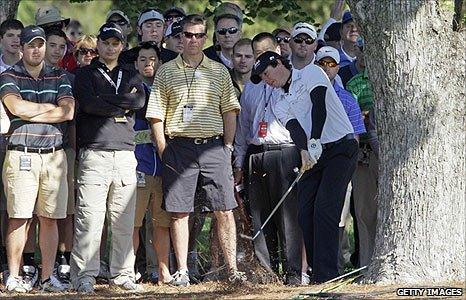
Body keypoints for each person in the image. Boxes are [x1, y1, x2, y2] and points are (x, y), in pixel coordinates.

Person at [146, 14, 246, 287]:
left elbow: (230, 111)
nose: (192, 40)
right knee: (179, 212)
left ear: (205, 38)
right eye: (187, 35)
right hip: (179, 147)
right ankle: (182, 271)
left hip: (214, 146)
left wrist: (227, 146)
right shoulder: (166, 71)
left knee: (225, 209)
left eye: (198, 35)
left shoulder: (218, 70)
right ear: (180, 38)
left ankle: (232, 270)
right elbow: (156, 115)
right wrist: (164, 149)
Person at [250, 51, 358, 283]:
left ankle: (328, 275)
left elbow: (320, 103)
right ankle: (316, 272)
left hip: (341, 147)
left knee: (325, 210)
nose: (268, 80)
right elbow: (296, 130)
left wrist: (315, 139)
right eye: (263, 78)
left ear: (278, 63)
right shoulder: (280, 102)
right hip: (316, 152)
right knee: (305, 212)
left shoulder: (311, 72)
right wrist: (305, 150)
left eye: (267, 74)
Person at [70, 22, 145, 293]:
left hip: (125, 154)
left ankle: (123, 274)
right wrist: (120, 103)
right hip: (94, 153)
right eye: (106, 43)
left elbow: (139, 102)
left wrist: (109, 101)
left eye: (116, 43)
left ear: (122, 46)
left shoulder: (131, 72)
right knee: (89, 219)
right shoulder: (84, 74)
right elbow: (88, 104)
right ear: (98, 45)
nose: (111, 47)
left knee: (123, 221)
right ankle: (85, 275)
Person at [0, 25, 75, 292]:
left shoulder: (60, 75)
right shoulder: (9, 75)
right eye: (31, 44)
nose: (37, 49)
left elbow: (67, 112)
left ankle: (46, 278)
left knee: (50, 218)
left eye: (40, 44)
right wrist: (47, 109)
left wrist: (28, 115)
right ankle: (13, 275)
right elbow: (15, 107)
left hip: (54, 157)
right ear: (21, 47)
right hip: (22, 155)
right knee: (19, 217)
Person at [233, 34, 303, 285]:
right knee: (260, 215)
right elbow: (242, 129)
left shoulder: (292, 82)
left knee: (288, 216)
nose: (261, 58)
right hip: (257, 153)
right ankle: (267, 272)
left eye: (266, 52)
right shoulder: (251, 87)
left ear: (277, 51)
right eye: (256, 53)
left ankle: (294, 273)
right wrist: (239, 162)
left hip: (285, 151)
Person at [132, 41, 173, 285]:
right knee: (134, 222)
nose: (149, 63)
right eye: (143, 59)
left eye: (153, 59)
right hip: (139, 164)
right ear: (136, 63)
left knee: (162, 222)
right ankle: (128, 268)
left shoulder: (166, 86)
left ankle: (163, 269)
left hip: (163, 164)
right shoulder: (130, 87)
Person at [44, 27, 77, 289]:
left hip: (62, 148)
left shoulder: (69, 77)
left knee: (64, 211)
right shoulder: (22, 74)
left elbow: (70, 116)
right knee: (30, 213)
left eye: (61, 46)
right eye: (51, 45)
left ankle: (63, 259)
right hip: (28, 148)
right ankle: (32, 261)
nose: (56, 50)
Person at [345, 39, 379, 271]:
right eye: (363, 48)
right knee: (366, 212)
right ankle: (367, 265)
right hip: (366, 152)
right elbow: (356, 118)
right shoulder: (356, 83)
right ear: (356, 50)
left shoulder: (394, 78)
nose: (366, 53)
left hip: (392, 153)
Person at [0, 19, 24, 276]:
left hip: (21, 137)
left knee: (15, 203)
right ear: (1, 39)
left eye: (19, 35)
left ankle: (15, 260)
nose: (15, 40)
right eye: (10, 35)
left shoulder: (28, 66)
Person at [35, 5, 77, 73]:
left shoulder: (79, 50)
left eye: (57, 26)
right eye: (47, 29)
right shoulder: (31, 53)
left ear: (64, 25)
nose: (53, 31)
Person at [204, 2, 243, 68]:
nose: (227, 35)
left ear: (240, 33)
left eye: (232, 30)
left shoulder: (252, 56)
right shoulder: (204, 58)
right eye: (222, 31)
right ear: (216, 34)